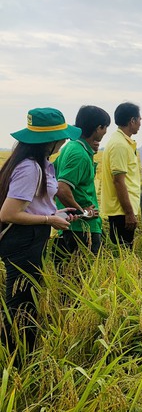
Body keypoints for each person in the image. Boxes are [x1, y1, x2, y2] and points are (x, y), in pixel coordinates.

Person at [0, 107, 81, 350]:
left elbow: (32, 206)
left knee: (26, 297)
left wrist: (55, 214)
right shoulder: (30, 168)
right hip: (22, 239)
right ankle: (17, 356)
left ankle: (21, 351)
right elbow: (9, 213)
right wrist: (49, 221)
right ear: (49, 141)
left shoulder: (39, 164)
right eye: (62, 137)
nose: (65, 141)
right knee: (21, 302)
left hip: (30, 237)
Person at [54, 105, 111, 257]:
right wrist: (83, 212)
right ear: (99, 128)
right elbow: (61, 188)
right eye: (105, 128)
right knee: (83, 276)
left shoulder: (71, 147)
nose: (105, 132)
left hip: (73, 225)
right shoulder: (79, 153)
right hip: (81, 227)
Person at [101, 102, 142, 248]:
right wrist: (129, 213)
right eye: (139, 119)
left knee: (124, 250)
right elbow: (118, 181)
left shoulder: (122, 142)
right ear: (132, 120)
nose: (140, 122)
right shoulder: (120, 145)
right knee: (123, 252)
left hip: (123, 209)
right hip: (121, 211)